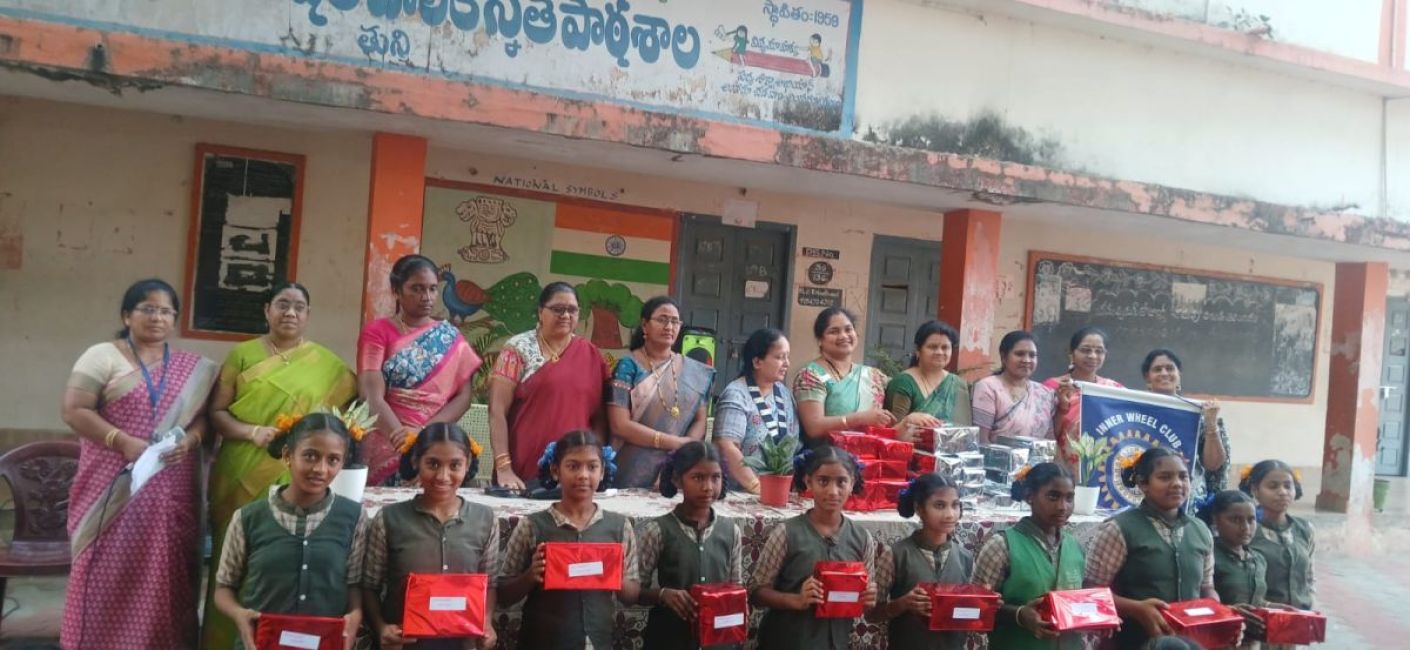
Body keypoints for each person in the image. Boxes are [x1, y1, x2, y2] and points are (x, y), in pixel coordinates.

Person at [59, 278, 219, 649]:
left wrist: (191, 440)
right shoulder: (103, 356)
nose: (158, 317)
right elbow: (74, 409)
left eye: (166, 311)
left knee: (163, 575)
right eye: (148, 308)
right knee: (104, 572)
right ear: (127, 315)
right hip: (111, 491)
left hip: (168, 492)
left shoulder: (192, 368)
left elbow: (205, 419)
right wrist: (122, 441)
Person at [202, 282, 357, 649]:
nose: (290, 313)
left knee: (288, 559)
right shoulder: (241, 355)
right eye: (282, 305)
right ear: (266, 310)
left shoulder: (327, 364)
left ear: (307, 315)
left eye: (299, 307)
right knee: (236, 558)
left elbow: (350, 413)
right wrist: (252, 431)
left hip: (302, 470)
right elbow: (217, 413)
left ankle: (290, 639)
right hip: (241, 468)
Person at [212, 413, 368, 650]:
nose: (320, 469)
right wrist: (238, 614)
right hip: (261, 644)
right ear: (287, 455)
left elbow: (354, 583)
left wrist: (355, 614)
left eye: (333, 460)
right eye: (310, 456)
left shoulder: (354, 517)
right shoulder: (248, 518)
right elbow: (223, 588)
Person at [497, 430, 640, 649]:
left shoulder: (619, 527)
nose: (583, 475)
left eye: (592, 467)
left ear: (602, 472)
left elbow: (631, 595)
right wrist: (530, 576)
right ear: (555, 471)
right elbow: (504, 595)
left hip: (598, 640)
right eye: (573, 466)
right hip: (543, 639)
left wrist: (615, 575)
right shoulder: (532, 526)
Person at [363, 423, 498, 650]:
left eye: (455, 465)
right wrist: (381, 627)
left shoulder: (485, 519)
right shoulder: (389, 519)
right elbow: (369, 585)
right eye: (433, 464)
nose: (443, 476)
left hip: (461, 643)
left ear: (468, 465)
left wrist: (486, 622)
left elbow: (490, 583)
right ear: (416, 461)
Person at [358, 254, 481, 485]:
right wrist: (405, 441)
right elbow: (370, 395)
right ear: (396, 290)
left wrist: (423, 434)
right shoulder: (377, 332)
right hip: (387, 438)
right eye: (417, 288)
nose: (427, 297)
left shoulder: (451, 336)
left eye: (433, 289)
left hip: (436, 442)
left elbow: (463, 397)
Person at [1084, 447, 1217, 648]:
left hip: (1189, 643)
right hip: (1134, 642)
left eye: (1183, 477)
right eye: (1165, 477)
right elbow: (1090, 591)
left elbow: (1206, 587)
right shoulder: (1120, 528)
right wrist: (1136, 609)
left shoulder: (1200, 530)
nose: (1177, 484)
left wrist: (1219, 612)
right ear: (1143, 484)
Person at [750, 445, 880, 650]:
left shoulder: (862, 538)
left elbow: (865, 598)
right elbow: (756, 592)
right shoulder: (787, 533)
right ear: (808, 481)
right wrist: (796, 600)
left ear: (852, 483)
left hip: (835, 642)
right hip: (787, 641)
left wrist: (869, 597)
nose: (833, 491)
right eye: (823, 481)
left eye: (841, 482)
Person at [489, 282, 610, 490]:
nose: (565, 315)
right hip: (521, 470)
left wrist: (593, 466)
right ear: (540, 312)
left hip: (576, 474)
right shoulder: (518, 348)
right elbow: (497, 411)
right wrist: (504, 467)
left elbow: (600, 418)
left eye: (572, 310)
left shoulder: (590, 354)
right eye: (557, 309)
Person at [637, 441, 744, 650]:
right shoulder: (657, 530)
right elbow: (633, 591)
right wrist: (662, 594)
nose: (708, 487)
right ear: (677, 479)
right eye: (698, 478)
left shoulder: (731, 531)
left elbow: (736, 586)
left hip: (718, 641)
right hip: (670, 639)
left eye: (716, 477)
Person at [972, 462, 1087, 649]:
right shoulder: (1002, 546)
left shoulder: (1075, 547)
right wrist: (1018, 614)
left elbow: (1079, 605)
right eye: (1053, 496)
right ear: (1029, 496)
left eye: (1069, 498)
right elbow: (976, 608)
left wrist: (1097, 620)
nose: (1062, 507)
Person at [609, 296, 715, 488]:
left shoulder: (693, 371)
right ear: (644, 325)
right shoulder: (628, 366)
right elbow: (619, 425)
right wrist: (674, 442)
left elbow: (700, 419)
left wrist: (683, 452)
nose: (669, 326)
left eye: (675, 321)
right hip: (630, 467)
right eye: (662, 319)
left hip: (676, 468)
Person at [871, 473, 973, 650]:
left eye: (955, 505)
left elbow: (967, 614)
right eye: (939, 505)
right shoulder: (896, 555)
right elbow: (872, 614)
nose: (950, 514)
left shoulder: (965, 557)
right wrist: (902, 604)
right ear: (919, 509)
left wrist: (985, 603)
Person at [713, 328, 799, 493]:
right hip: (741, 493)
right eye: (780, 357)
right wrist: (755, 486)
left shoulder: (785, 394)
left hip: (779, 492)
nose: (787, 363)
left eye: (787, 357)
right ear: (757, 362)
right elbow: (726, 445)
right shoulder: (737, 394)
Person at [1142, 349, 1231, 505]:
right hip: (1142, 495)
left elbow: (1213, 464)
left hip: (1188, 500)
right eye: (1157, 369)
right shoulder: (1134, 410)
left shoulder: (1198, 413)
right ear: (1147, 379)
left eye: (1170, 368)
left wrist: (1211, 424)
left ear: (1178, 375)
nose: (1164, 373)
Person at [794, 307, 895, 442]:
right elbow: (814, 427)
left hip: (872, 458)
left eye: (848, 329)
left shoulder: (874, 376)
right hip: (829, 459)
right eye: (834, 331)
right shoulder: (810, 376)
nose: (843, 336)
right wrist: (859, 418)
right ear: (820, 340)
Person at [1241, 460, 1315, 613]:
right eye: (1273, 486)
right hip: (1260, 619)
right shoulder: (1245, 529)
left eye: (1288, 486)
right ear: (1255, 490)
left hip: (1300, 618)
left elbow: (1309, 577)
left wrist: (1310, 609)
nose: (1282, 492)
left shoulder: (1304, 529)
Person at [1200, 490, 1271, 648]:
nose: (1245, 527)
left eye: (1251, 520)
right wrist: (1227, 611)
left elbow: (1257, 600)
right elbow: (1196, 602)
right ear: (1215, 519)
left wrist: (1275, 608)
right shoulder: (1208, 556)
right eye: (1235, 520)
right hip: (1216, 641)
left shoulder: (1258, 559)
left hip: (1250, 643)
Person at [1043, 327, 1122, 469]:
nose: (1093, 356)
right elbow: (1044, 432)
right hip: (1060, 466)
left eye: (1099, 351)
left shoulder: (1114, 390)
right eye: (1086, 350)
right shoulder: (1052, 387)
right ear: (1071, 354)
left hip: (1102, 467)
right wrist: (1062, 408)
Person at [972, 331, 1069, 444]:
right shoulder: (988, 387)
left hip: (1037, 460)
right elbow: (981, 439)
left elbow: (1049, 439)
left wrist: (1063, 406)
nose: (1027, 360)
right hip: (996, 459)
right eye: (1019, 354)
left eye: (1032, 355)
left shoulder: (1044, 393)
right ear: (1003, 357)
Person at [884, 320, 973, 441]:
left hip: (951, 454)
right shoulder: (904, 382)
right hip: (908, 452)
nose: (939, 352)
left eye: (945, 347)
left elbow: (964, 430)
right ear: (918, 350)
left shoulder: (957, 384)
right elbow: (893, 431)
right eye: (932, 347)